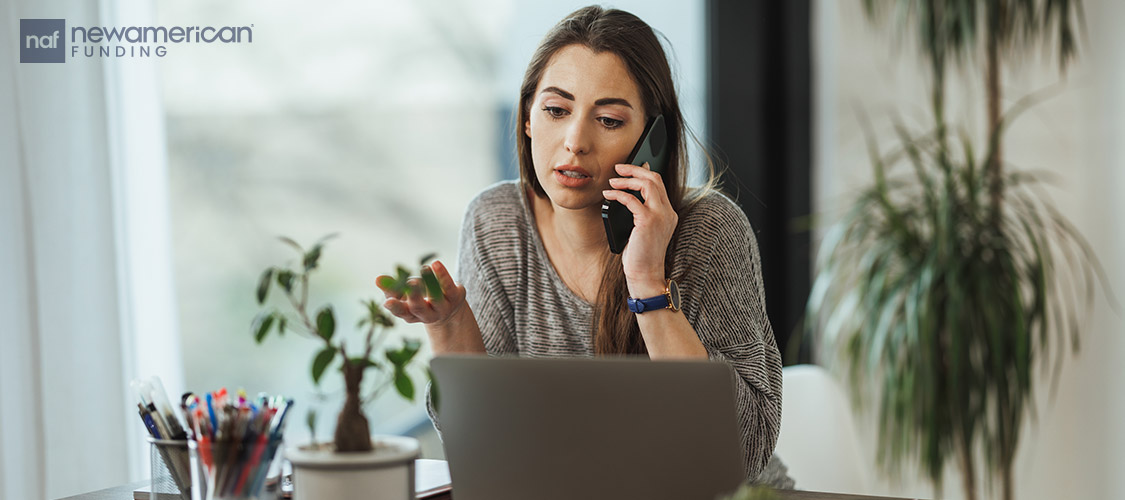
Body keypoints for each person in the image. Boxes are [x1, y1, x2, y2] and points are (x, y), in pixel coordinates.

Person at [377, 5, 788, 485]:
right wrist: (450, 325)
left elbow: (747, 451)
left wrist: (648, 283)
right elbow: (483, 444)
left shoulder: (710, 230)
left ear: (650, 138)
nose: (575, 141)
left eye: (609, 120)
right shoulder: (497, 222)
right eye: (556, 110)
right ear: (528, 118)